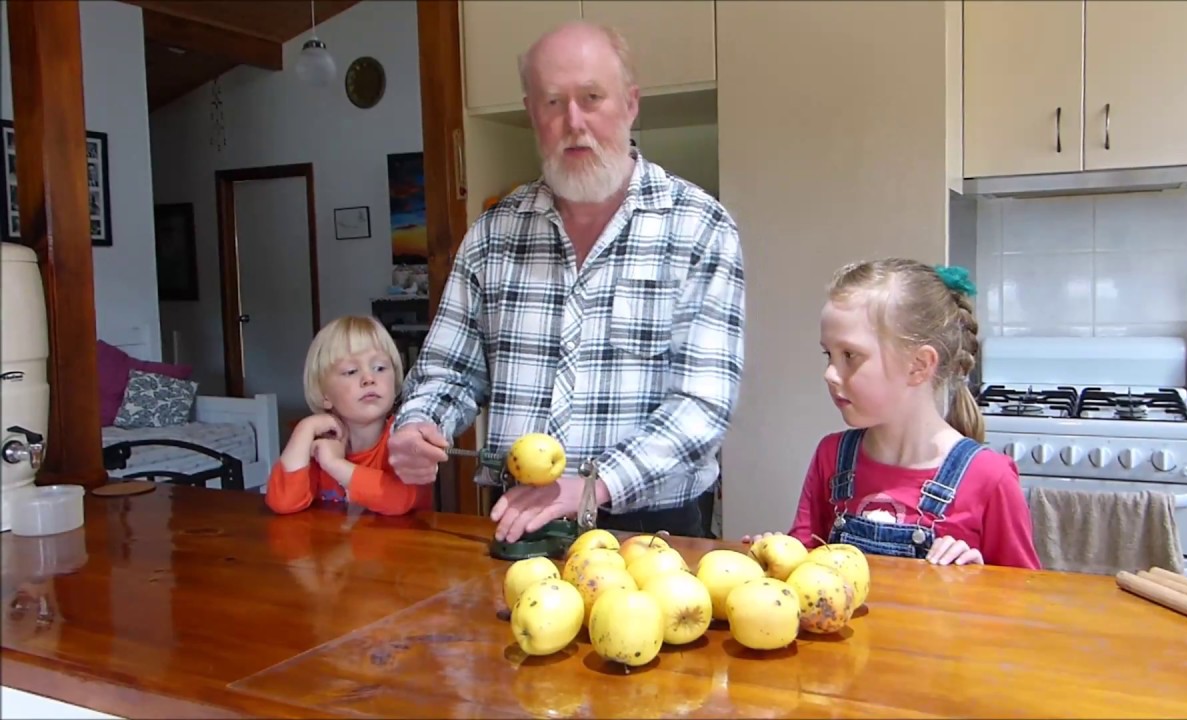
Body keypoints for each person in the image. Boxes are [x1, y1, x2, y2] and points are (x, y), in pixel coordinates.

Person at [386, 21, 746, 543]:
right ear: (532, 112)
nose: (573, 121)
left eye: (592, 97)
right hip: (515, 520)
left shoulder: (699, 226)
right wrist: (419, 423)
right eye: (553, 102)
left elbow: (703, 402)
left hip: (651, 532)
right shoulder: (492, 233)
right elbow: (449, 371)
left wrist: (590, 486)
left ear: (631, 103)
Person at [745, 259, 1040, 569]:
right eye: (828, 355)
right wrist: (773, 559)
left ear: (919, 365)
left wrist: (980, 578)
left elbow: (1024, 601)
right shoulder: (831, 457)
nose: (830, 374)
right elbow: (803, 569)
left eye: (850, 355)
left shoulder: (990, 477)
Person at [266, 316, 433, 517]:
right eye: (351, 371)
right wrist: (305, 429)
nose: (369, 379)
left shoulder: (404, 439)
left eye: (379, 368)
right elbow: (283, 502)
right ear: (324, 395)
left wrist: (335, 465)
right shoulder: (318, 444)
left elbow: (401, 499)